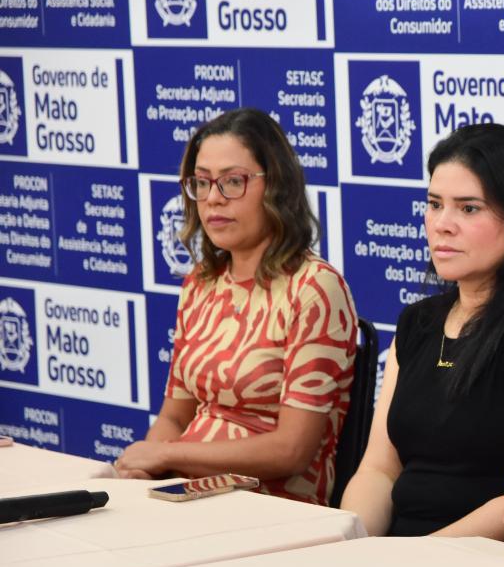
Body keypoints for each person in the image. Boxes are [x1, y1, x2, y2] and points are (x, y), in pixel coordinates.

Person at [342, 123, 504, 538]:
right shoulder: (417, 322)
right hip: (394, 556)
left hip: (488, 563)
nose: (442, 224)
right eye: (434, 204)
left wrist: (408, 559)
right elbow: (378, 470)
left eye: (468, 208)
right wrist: (353, 543)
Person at [115, 108, 357, 507]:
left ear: (276, 186)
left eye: (232, 182)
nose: (213, 198)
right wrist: (145, 472)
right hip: (188, 491)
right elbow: (174, 417)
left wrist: (167, 456)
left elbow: (291, 449)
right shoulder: (201, 282)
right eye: (202, 182)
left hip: (271, 504)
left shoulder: (314, 288)